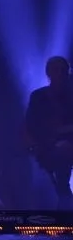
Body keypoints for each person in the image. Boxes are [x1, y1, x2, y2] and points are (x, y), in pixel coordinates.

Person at [25, 56, 73, 209]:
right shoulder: (38, 97)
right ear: (49, 73)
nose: (61, 74)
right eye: (56, 70)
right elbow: (30, 125)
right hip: (45, 146)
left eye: (64, 71)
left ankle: (63, 198)